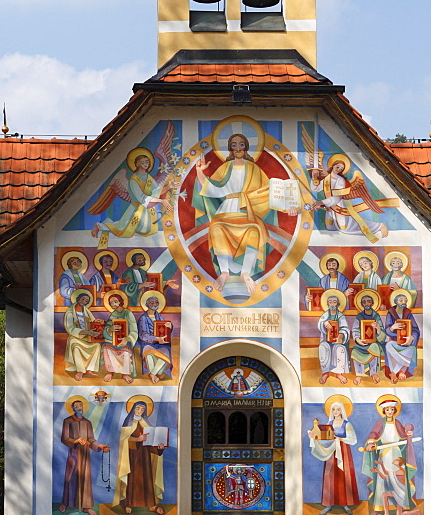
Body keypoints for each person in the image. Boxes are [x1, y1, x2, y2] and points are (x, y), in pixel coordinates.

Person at [194, 133, 292, 298]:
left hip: (247, 210)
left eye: (241, 144)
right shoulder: (225, 168)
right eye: (234, 145)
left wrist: (288, 205)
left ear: (246, 147)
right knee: (217, 227)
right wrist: (199, 172)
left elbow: (269, 192)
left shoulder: (254, 169)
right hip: (226, 209)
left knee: (254, 230)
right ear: (230, 148)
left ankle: (246, 273)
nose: (238, 148)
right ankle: (224, 272)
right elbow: (211, 189)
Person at [90, 150, 168, 239]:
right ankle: (99, 226)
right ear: (138, 164)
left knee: (148, 230)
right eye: (142, 162)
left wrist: (169, 187)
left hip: (147, 211)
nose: (145, 164)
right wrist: (161, 201)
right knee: (121, 229)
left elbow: (156, 191)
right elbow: (142, 198)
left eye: (147, 162)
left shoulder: (148, 177)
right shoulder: (133, 181)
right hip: (136, 211)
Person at [310, 155, 389, 241]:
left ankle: (380, 225)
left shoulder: (340, 180)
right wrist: (314, 178)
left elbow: (337, 198)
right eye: (338, 167)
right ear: (333, 165)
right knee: (329, 228)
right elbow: (315, 189)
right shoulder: (327, 179)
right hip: (329, 207)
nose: (339, 169)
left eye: (341, 169)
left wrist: (320, 203)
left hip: (339, 206)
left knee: (345, 228)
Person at [362, 397, 418, 515]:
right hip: (384, 454)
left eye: (392, 409)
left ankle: (400, 505)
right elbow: (373, 434)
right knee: (382, 480)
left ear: (394, 411)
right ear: (384, 411)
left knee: (398, 480)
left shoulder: (397, 423)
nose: (390, 412)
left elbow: (403, 435)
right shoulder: (379, 423)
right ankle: (378, 507)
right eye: (387, 409)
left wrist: (409, 434)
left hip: (396, 454)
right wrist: (371, 443)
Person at [113, 400, 167, 514]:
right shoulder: (128, 423)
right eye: (138, 408)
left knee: (148, 480)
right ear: (133, 409)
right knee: (132, 480)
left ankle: (150, 504)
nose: (140, 411)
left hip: (145, 458)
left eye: (142, 409)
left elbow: (151, 441)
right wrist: (137, 439)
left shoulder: (145, 423)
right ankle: (129, 504)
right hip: (132, 457)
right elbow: (123, 441)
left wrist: (159, 447)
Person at [59, 399, 109, 515]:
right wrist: (75, 441)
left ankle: (86, 507)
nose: (79, 407)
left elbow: (91, 439)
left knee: (85, 480)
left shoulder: (87, 422)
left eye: (81, 405)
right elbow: (64, 438)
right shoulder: (68, 421)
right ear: (72, 408)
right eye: (76, 406)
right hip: (74, 454)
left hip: (85, 455)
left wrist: (100, 446)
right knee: (70, 478)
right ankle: (66, 503)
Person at [308, 401, 359, 515]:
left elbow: (353, 440)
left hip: (343, 451)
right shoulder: (329, 423)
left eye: (338, 409)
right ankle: (328, 504)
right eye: (333, 410)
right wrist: (314, 436)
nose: (336, 412)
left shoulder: (347, 424)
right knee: (330, 475)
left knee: (343, 475)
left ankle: (345, 503)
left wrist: (340, 439)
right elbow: (324, 436)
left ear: (342, 411)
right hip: (332, 450)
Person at [64, 291, 102, 380]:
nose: (84, 301)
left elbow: (92, 321)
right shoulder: (70, 312)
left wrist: (97, 324)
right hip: (76, 337)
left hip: (87, 337)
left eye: (86, 301)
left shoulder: (86, 310)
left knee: (97, 346)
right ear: (78, 299)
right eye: (83, 299)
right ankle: (80, 371)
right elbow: (70, 329)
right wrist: (86, 332)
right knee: (76, 347)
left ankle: (89, 369)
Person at [101, 293, 138, 383]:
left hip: (126, 339)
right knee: (106, 348)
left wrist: (127, 339)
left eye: (115, 301)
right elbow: (107, 329)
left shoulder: (128, 313)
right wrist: (110, 329)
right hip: (113, 339)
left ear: (120, 301)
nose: (113, 304)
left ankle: (125, 374)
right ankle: (110, 372)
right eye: (111, 303)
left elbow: (134, 331)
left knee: (125, 350)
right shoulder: (113, 314)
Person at [385, 291, 420, 383]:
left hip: (407, 342)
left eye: (405, 300)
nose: (403, 302)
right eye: (401, 300)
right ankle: (398, 370)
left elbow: (416, 329)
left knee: (412, 349)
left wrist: (411, 337)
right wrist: (393, 328)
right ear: (396, 302)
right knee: (388, 345)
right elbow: (387, 330)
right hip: (395, 341)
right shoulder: (391, 313)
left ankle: (397, 371)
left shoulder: (408, 313)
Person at [352, 292, 386, 385]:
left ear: (372, 303)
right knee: (355, 350)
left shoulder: (376, 316)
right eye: (364, 302)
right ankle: (359, 374)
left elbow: (382, 334)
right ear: (362, 304)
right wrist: (357, 339)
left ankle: (373, 373)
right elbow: (355, 329)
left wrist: (378, 328)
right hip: (362, 342)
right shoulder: (359, 316)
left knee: (374, 347)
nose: (366, 303)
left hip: (373, 342)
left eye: (369, 301)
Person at [136, 294, 172, 383]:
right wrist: (155, 338)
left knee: (166, 355)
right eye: (152, 303)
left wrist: (170, 326)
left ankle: (153, 374)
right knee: (149, 355)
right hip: (148, 343)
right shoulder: (143, 318)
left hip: (161, 344)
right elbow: (142, 334)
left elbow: (165, 329)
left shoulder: (159, 316)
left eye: (156, 302)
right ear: (147, 305)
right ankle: (156, 373)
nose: (154, 304)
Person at [317, 291, 350, 384]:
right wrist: (324, 323)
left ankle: (339, 373)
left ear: (338, 303)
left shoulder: (341, 316)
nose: (332, 304)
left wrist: (341, 336)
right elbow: (320, 324)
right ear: (327, 303)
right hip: (326, 339)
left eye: (334, 302)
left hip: (337, 340)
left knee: (340, 348)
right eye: (330, 302)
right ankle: (325, 373)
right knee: (323, 347)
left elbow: (345, 328)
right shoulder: (325, 315)